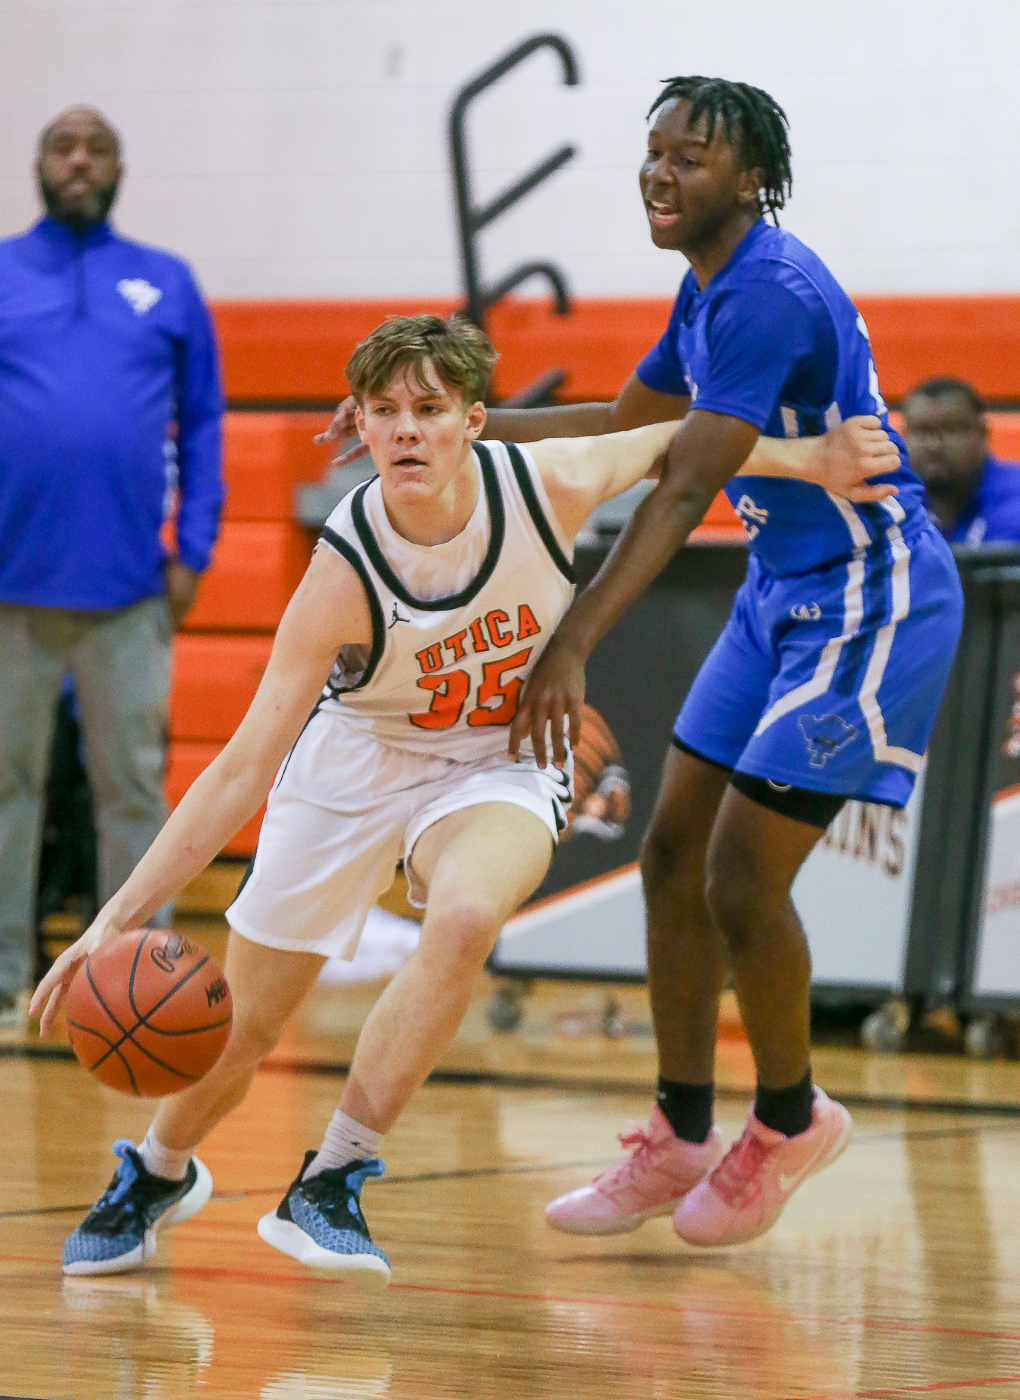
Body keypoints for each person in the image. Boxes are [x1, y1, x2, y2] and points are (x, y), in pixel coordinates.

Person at [33, 313, 894, 1282]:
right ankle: (157, 1169)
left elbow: (678, 441)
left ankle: (334, 1176)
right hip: (357, 761)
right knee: (245, 1028)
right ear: (361, 424)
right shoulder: (342, 570)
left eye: (430, 409)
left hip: (497, 759)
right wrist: (113, 918)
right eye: (385, 410)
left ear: (473, 421)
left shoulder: (546, 482)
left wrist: (811, 456)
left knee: (468, 912)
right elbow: (239, 769)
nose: (407, 429)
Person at [382, 78, 957, 1250]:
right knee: (670, 856)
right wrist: (457, 431)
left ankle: (790, 1120)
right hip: (778, 592)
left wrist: (573, 641)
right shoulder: (705, 291)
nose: (660, 172)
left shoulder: (766, 296)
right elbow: (620, 433)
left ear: (752, 179)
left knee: (741, 872)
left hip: (869, 597)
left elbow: (683, 484)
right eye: (653, 152)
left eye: (690, 156)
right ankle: (683, 1129)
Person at [0, 106, 223, 1029]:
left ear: (119, 170)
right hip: (11, 590)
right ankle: (4, 977)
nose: (80, 161)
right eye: (64, 146)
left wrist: (194, 549)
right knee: (6, 788)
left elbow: (203, 422)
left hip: (131, 590)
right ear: (39, 166)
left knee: (131, 792)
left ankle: (137, 983)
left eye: (96, 148)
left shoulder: (166, 282)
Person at [901, 377, 1020, 546]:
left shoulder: (1014, 498)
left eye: (951, 430)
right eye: (921, 431)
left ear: (982, 432)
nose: (933, 445)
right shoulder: (893, 499)